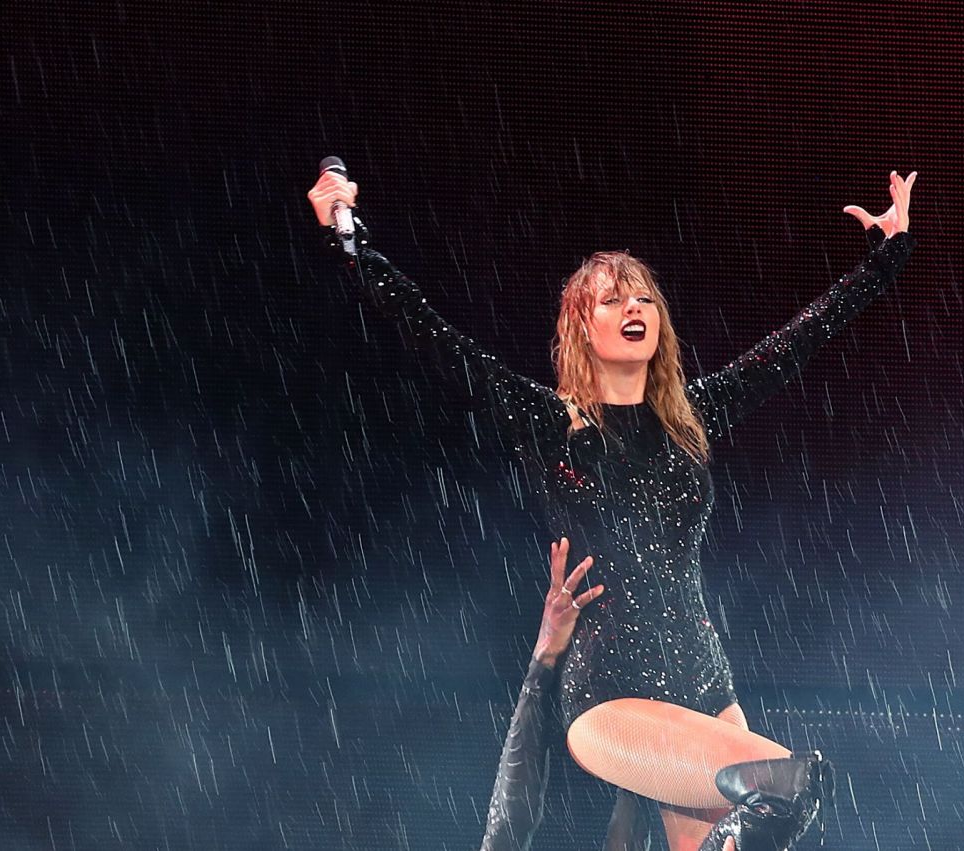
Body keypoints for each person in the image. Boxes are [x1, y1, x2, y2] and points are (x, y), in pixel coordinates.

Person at [309, 169, 917, 850]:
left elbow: (798, 342)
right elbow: (432, 335)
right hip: (613, 692)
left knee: (772, 814)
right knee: (794, 782)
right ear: (581, 324)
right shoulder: (550, 424)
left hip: (706, 678)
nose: (634, 308)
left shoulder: (693, 416)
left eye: (645, 299)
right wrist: (347, 234)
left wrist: (887, 252)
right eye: (612, 299)